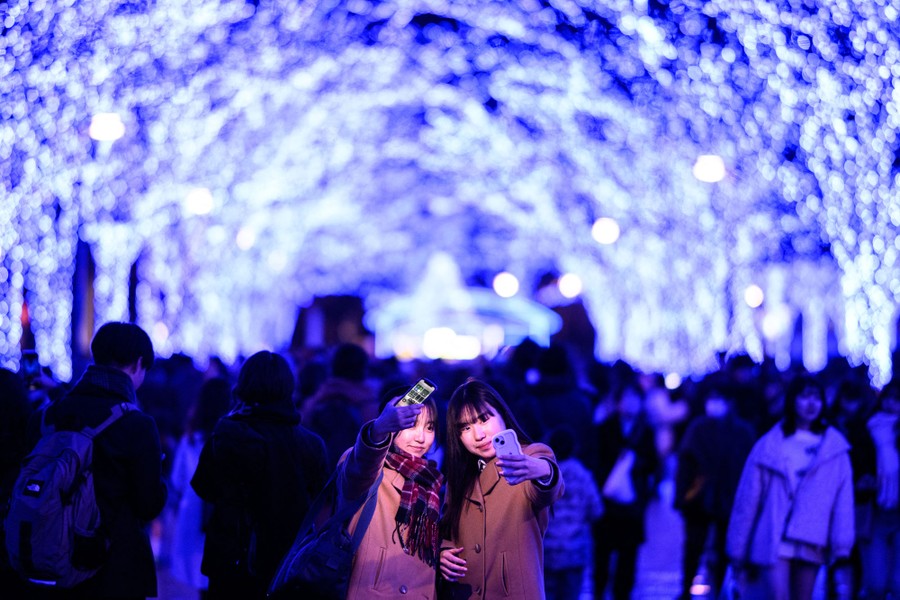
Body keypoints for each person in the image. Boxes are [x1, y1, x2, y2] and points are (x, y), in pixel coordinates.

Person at [25, 321, 168, 598]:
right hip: (113, 567)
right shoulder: (137, 425)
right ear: (139, 364)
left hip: (49, 558)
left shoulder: (45, 418)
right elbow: (148, 504)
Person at [191, 350, 329, 599]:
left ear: (244, 384)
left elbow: (204, 488)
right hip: (288, 562)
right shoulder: (311, 444)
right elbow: (320, 504)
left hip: (231, 558)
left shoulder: (227, 433)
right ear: (289, 386)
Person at [726, 373, 855, 600]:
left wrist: (842, 544)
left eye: (816, 397)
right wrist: (737, 548)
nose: (811, 404)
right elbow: (748, 499)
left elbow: (843, 500)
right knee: (779, 595)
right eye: (804, 397)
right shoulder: (770, 444)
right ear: (792, 400)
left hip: (812, 536)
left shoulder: (835, 448)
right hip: (774, 534)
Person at [439, 378, 564, 600]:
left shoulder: (529, 457)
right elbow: (449, 530)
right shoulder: (458, 479)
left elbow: (549, 485)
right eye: (466, 428)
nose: (478, 435)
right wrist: (443, 552)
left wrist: (543, 471)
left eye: (484, 419)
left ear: (502, 414)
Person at [335, 388, 445, 598]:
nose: (421, 437)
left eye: (429, 427)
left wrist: (444, 551)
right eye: (411, 424)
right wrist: (379, 429)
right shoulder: (369, 468)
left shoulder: (432, 481)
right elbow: (364, 460)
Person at [674, 378, 756, 600]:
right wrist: (682, 496)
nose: (714, 404)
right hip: (698, 499)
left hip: (729, 499)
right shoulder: (698, 428)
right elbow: (685, 463)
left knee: (724, 550)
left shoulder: (742, 432)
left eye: (718, 399)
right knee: (693, 547)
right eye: (711, 399)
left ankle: (720, 589)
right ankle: (686, 589)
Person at [592, 378, 660, 600]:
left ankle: (623, 594)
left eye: (635, 398)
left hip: (633, 503)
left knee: (628, 556)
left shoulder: (646, 431)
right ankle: (599, 592)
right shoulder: (604, 428)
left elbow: (653, 464)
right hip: (607, 501)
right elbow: (596, 461)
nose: (630, 403)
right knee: (602, 554)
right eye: (626, 398)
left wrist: (636, 465)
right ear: (618, 402)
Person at [169, 377, 232, 598]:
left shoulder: (191, 439)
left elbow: (177, 481)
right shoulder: (234, 439)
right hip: (226, 520)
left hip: (192, 516)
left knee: (200, 582)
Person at [542, 425, 603, 600]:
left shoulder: (543, 472)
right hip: (575, 550)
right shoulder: (582, 474)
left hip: (548, 549)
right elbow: (596, 510)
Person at [301, 343, 379, 473]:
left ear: (332, 367)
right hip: (356, 478)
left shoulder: (313, 402)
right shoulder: (369, 405)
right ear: (363, 369)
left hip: (316, 476)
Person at [858, 379, 900, 599]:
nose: (892, 404)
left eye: (898, 400)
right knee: (875, 583)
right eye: (889, 398)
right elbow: (858, 464)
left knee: (898, 583)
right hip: (874, 513)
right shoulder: (868, 428)